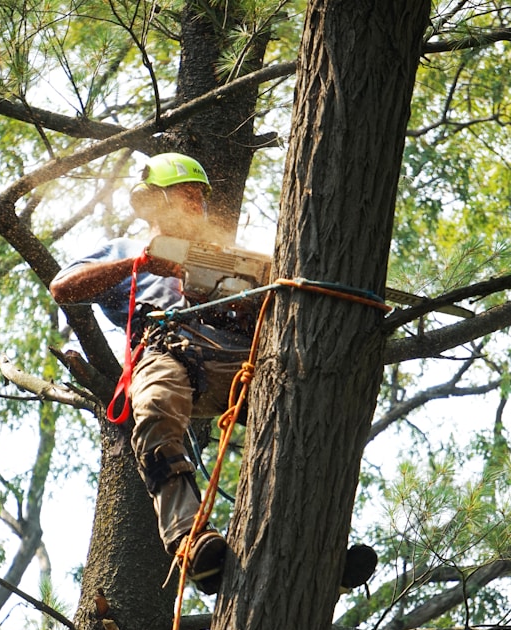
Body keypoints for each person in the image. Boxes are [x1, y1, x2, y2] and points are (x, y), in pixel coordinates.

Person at [50, 152, 378, 596]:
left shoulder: (226, 257)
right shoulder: (125, 252)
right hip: (168, 351)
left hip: (239, 358)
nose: (197, 205)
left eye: (201, 198)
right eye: (187, 195)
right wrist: (143, 264)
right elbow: (63, 289)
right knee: (156, 407)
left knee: (306, 411)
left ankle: (317, 544)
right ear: (154, 202)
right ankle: (190, 540)